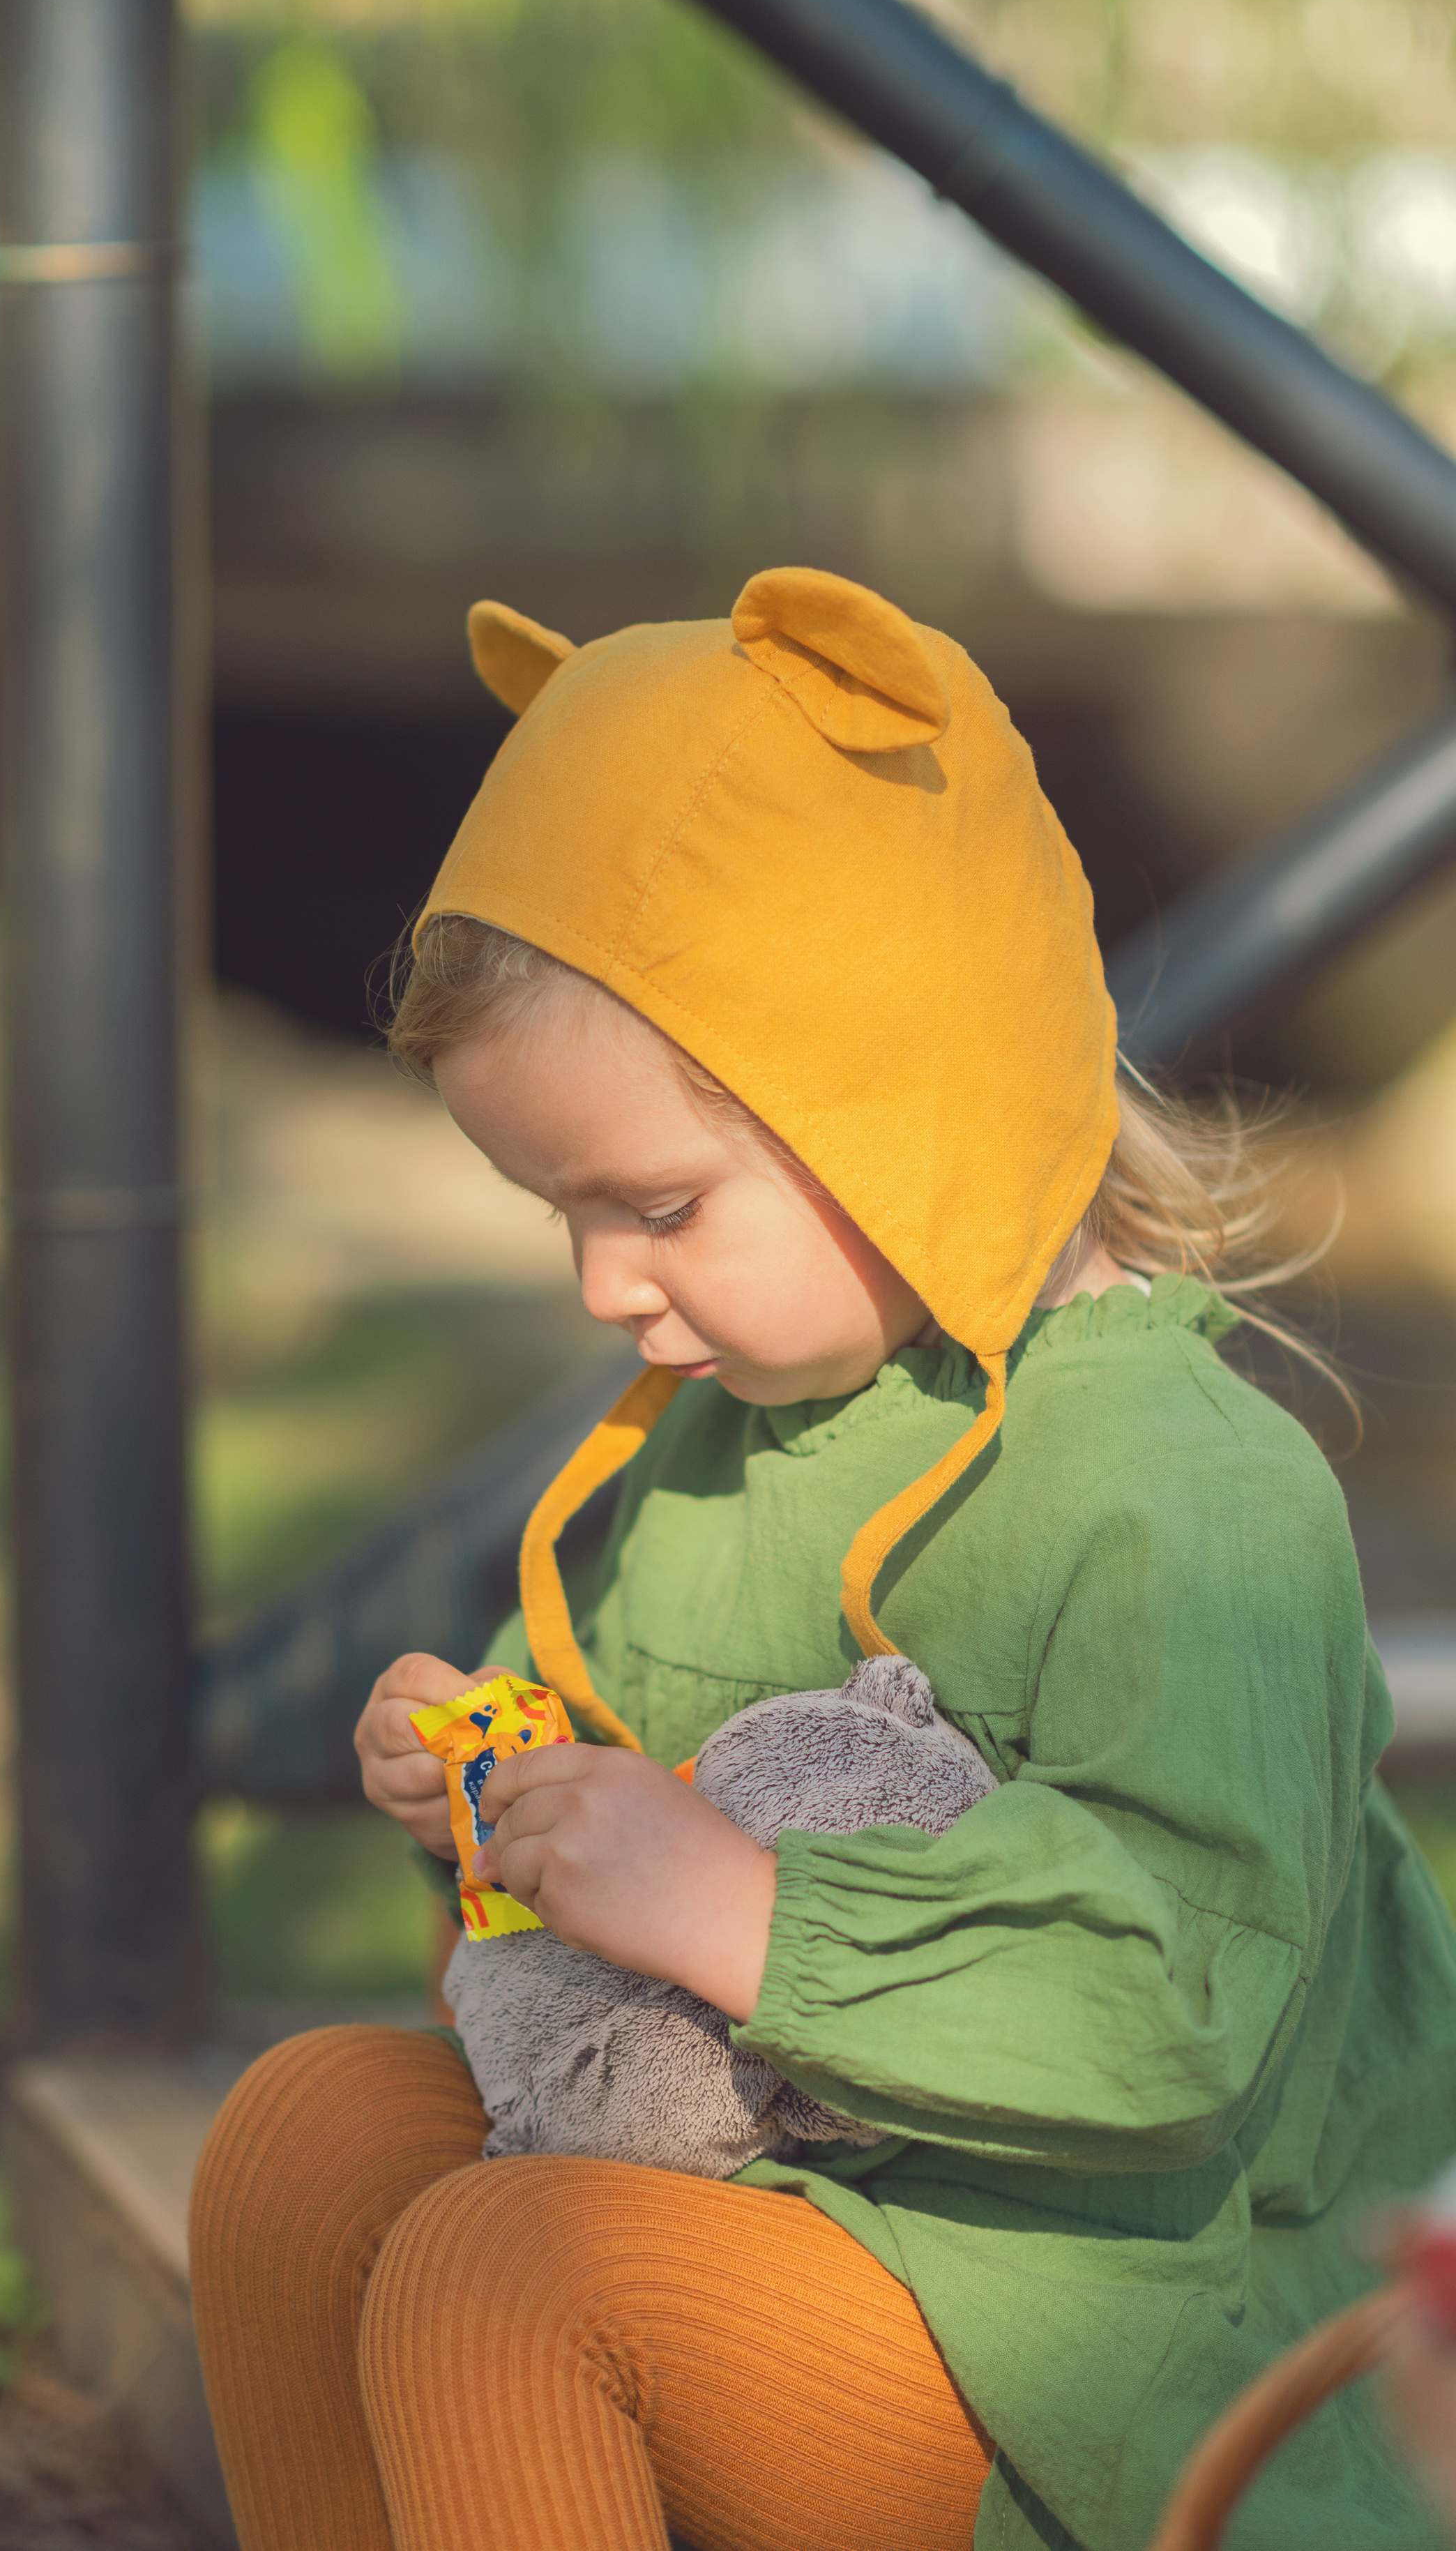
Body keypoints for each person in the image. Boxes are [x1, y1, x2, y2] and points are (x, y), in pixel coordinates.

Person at [188, 568, 1456, 2551]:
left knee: (506, 2278)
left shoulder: (1182, 1493)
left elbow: (1174, 2007)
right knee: (306, 2138)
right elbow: (600, 1942)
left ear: (909, 1092)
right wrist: (496, 1811)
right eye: (559, 1213)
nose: (608, 1283)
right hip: (787, 2206)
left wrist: (745, 1913)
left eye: (662, 1202)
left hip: (1106, 2338)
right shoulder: (730, 1429)